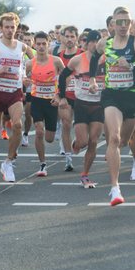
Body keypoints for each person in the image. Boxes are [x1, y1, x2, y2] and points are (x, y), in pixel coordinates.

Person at [89, 6, 135, 206]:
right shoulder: (104, 43)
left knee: (125, 141)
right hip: (111, 96)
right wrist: (93, 79)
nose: (123, 25)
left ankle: (127, 158)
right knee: (113, 137)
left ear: (130, 24)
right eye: (119, 22)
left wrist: (133, 67)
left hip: (132, 98)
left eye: (126, 22)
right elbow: (94, 59)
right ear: (113, 24)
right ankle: (115, 188)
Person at [0, 13, 34, 182]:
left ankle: (8, 162)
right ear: (0, 28)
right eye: (7, 27)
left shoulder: (22, 47)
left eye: (13, 27)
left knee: (18, 125)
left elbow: (37, 62)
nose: (10, 30)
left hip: (15, 92)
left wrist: (28, 77)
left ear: (16, 27)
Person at [57, 29, 106, 187]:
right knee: (84, 142)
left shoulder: (107, 59)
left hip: (99, 105)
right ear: (86, 43)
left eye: (97, 42)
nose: (94, 44)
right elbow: (63, 76)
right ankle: (77, 143)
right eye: (91, 41)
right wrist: (62, 96)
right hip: (82, 104)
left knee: (93, 141)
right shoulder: (77, 60)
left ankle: (85, 175)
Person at [23, 32, 65, 177]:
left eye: (43, 44)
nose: (41, 47)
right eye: (38, 44)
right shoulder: (29, 63)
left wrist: (60, 95)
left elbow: (67, 77)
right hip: (37, 100)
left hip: (52, 102)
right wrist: (24, 83)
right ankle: (42, 165)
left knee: (49, 138)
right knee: (39, 131)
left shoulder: (56, 61)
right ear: (34, 45)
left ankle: (57, 125)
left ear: (48, 44)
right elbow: (22, 78)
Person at [55, 25, 82, 171]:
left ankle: (77, 141)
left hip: (81, 96)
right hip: (64, 96)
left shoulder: (82, 54)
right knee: (66, 124)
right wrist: (57, 95)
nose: (70, 39)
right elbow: (54, 78)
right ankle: (68, 159)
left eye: (73, 36)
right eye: (67, 36)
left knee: (81, 128)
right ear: (62, 37)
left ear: (77, 38)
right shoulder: (58, 57)